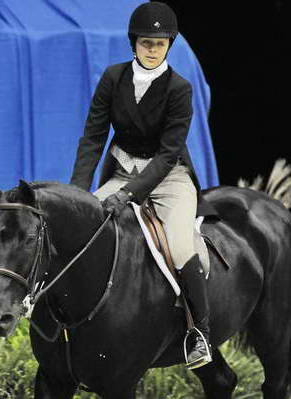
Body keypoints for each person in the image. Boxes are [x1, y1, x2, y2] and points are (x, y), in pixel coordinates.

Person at [69, 1, 218, 370]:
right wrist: (76, 194)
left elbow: (168, 155)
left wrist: (128, 195)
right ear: (133, 43)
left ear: (169, 45)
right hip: (120, 173)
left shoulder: (179, 89)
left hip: (169, 180)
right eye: (146, 43)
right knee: (81, 231)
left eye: (160, 44)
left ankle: (200, 333)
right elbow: (92, 137)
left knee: (182, 246)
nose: (152, 50)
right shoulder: (112, 78)